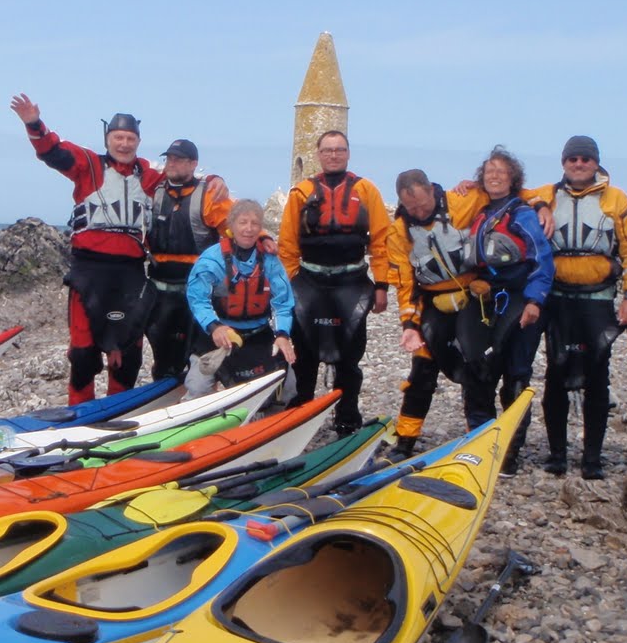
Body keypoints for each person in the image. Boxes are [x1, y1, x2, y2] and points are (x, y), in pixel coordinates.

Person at [10, 93, 164, 404]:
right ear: (108, 139)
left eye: (130, 138)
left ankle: (118, 409)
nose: (124, 144)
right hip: (89, 272)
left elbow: (185, 179)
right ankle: (79, 413)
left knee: (128, 355)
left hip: (130, 275)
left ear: (138, 142)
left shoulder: (149, 176)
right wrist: (34, 124)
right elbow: (53, 152)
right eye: (118, 137)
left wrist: (214, 182)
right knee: (83, 354)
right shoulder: (89, 166)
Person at [527, 136, 627, 479]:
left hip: (598, 300)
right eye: (572, 159)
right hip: (557, 299)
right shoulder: (548, 194)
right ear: (563, 163)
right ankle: (557, 455)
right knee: (556, 372)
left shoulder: (616, 199)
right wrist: (539, 205)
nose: (579, 164)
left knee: (597, 375)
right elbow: (515, 192)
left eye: (585, 159)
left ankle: (592, 458)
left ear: (596, 163)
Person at [277, 130, 390, 435]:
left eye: (339, 149)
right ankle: (300, 417)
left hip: (352, 283)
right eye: (327, 150)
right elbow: (287, 244)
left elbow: (382, 240)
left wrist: (381, 285)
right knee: (305, 356)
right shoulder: (301, 192)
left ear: (348, 153)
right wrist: (289, 286)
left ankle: (347, 419)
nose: (334, 155)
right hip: (310, 282)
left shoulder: (366, 190)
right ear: (318, 154)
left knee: (349, 358)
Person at [458, 146, 554, 473]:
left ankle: (510, 452)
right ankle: (481, 443)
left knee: (516, 375)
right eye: (489, 171)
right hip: (486, 299)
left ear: (513, 178)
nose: (495, 176)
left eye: (501, 171)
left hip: (519, 300)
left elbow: (542, 259)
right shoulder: (480, 212)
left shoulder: (523, 214)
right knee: (478, 371)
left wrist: (535, 301)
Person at [386, 168, 488, 458]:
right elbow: (405, 284)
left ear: (432, 190)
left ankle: (480, 436)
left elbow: (507, 193)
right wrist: (409, 325)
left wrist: (541, 206)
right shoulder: (399, 232)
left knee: (476, 367)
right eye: (411, 208)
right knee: (421, 371)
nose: (419, 212)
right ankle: (405, 440)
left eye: (423, 205)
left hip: (472, 297)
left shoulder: (463, 201)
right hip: (433, 303)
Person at [144, 139, 232, 382]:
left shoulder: (210, 194)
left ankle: (199, 391)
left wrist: (263, 239)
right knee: (163, 356)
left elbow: (235, 227)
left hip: (197, 292)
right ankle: (164, 389)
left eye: (179, 159)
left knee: (198, 354)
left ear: (193, 164)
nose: (171, 163)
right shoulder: (153, 192)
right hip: (160, 291)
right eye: (169, 158)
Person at [185, 199, 295, 391]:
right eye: (243, 222)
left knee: (289, 388)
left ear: (260, 228)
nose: (249, 229)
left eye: (255, 223)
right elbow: (198, 299)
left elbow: (283, 303)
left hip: (258, 335)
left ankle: (270, 408)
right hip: (219, 334)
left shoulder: (269, 260)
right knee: (197, 387)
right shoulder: (213, 259)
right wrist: (214, 327)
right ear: (231, 225)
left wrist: (282, 334)